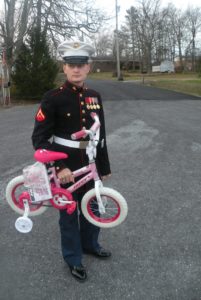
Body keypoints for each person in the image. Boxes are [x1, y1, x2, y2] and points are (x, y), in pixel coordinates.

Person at [31, 40, 111, 282]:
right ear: (63, 67)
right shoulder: (53, 97)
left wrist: (104, 166)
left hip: (91, 163)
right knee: (69, 214)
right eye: (71, 65)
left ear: (89, 67)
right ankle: (73, 259)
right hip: (65, 167)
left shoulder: (94, 95)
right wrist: (58, 166)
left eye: (81, 64)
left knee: (93, 206)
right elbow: (40, 137)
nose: (76, 69)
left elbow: (101, 135)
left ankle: (90, 244)